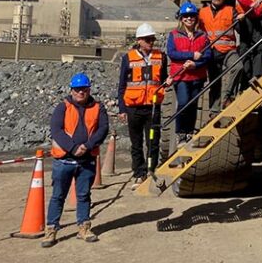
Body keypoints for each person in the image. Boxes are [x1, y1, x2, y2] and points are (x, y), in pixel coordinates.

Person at [42, 73, 109, 248]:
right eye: (77, 89)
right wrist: (73, 148)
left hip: (86, 161)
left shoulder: (98, 107)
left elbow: (102, 129)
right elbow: (56, 130)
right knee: (58, 196)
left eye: (84, 89)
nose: (80, 92)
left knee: (84, 196)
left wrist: (87, 146)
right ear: (71, 90)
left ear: (89, 90)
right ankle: (51, 230)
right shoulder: (62, 107)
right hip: (64, 161)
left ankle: (84, 228)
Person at [117, 23, 171, 190]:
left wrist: (167, 82)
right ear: (139, 40)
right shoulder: (128, 58)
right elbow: (122, 85)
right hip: (134, 107)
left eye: (152, 39)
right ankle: (139, 173)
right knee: (136, 143)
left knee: (153, 141)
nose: (151, 42)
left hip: (153, 108)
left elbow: (162, 79)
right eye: (148, 39)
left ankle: (151, 170)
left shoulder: (160, 57)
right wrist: (122, 109)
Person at [166, 2, 211, 147]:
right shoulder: (173, 35)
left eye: (192, 16)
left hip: (197, 76)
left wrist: (195, 64)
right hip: (181, 76)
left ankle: (190, 133)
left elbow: (207, 55)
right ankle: (181, 133)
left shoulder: (203, 36)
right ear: (181, 18)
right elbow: (172, 53)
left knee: (193, 105)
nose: (189, 19)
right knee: (184, 103)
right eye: (186, 16)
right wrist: (191, 55)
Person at [199, 0, 241, 110]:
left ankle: (228, 97)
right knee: (214, 83)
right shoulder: (202, 12)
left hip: (229, 50)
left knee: (238, 67)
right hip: (212, 52)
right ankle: (213, 111)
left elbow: (240, 28)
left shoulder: (231, 10)